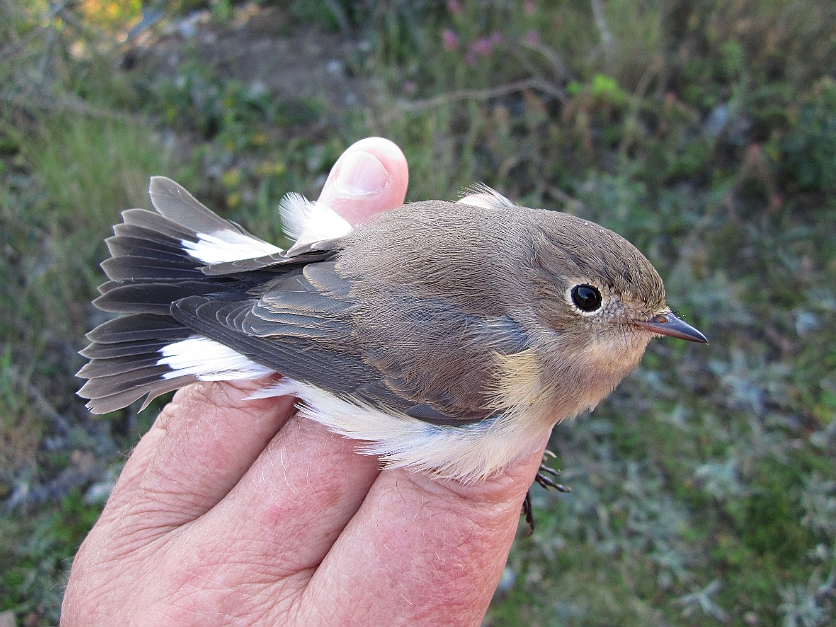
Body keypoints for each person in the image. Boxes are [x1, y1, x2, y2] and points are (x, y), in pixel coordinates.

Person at [61, 137, 549, 626]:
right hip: (315, 336)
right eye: (588, 300)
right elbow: (360, 353)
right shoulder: (507, 358)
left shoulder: (504, 237)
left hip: (322, 285)